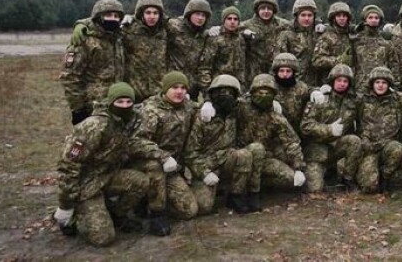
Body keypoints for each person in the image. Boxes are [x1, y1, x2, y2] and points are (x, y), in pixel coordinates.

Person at [54, 82, 172, 246]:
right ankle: (75, 214)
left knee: (141, 181)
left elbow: (134, 143)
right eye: (120, 102)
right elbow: (69, 165)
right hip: (87, 185)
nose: (125, 106)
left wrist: (162, 155)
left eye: (128, 102)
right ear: (110, 103)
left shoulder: (128, 121)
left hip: (109, 176)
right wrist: (65, 204)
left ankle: (117, 214)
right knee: (103, 238)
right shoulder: (93, 126)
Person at [185, 74, 265, 214]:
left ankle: (236, 196)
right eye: (220, 92)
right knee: (203, 207)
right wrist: (204, 173)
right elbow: (190, 153)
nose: (225, 96)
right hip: (206, 164)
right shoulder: (202, 116)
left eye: (229, 92)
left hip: (227, 158)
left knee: (245, 154)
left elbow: (258, 99)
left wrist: (274, 103)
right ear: (213, 94)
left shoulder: (237, 111)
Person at [130, 71, 199, 234]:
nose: (179, 91)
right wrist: (163, 156)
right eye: (174, 87)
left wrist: (209, 104)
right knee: (155, 166)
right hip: (146, 164)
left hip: (171, 168)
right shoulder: (151, 110)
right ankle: (156, 214)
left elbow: (201, 107)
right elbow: (136, 141)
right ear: (165, 89)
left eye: (183, 88)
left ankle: (152, 197)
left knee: (189, 211)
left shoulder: (187, 106)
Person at [236, 74, 307, 192]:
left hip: (264, 159)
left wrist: (299, 168)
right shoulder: (241, 107)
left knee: (291, 179)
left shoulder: (275, 116)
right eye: (260, 93)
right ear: (252, 92)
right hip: (240, 158)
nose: (264, 96)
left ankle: (260, 185)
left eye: (268, 94)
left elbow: (291, 141)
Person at [60, 0, 125, 125]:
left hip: (118, 104)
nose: (112, 18)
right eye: (108, 15)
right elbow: (70, 77)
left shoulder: (118, 39)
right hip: (93, 107)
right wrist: (78, 109)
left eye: (116, 16)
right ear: (98, 17)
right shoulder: (84, 40)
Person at [300, 64, 362, 192]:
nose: (342, 84)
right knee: (315, 188)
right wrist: (328, 129)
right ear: (332, 81)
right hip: (316, 150)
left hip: (336, 147)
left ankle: (347, 179)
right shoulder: (321, 98)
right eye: (339, 80)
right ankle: (325, 170)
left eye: (345, 81)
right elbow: (305, 126)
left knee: (354, 141)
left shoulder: (353, 101)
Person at [356, 67, 402, 193]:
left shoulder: (397, 101)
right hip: (369, 148)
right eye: (377, 82)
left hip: (388, 145)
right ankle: (369, 171)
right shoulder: (362, 100)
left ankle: (386, 177)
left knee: (398, 148)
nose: (380, 86)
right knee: (369, 187)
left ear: (388, 85)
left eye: (384, 83)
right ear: (372, 84)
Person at [121, 0, 169, 103]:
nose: (152, 16)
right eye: (148, 12)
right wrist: (81, 24)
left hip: (158, 93)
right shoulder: (129, 29)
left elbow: (184, 24)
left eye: (155, 13)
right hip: (134, 92)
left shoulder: (166, 31)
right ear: (141, 13)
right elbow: (102, 22)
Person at [166, 0, 212, 101]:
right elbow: (154, 20)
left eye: (203, 15)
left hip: (192, 89)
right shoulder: (174, 26)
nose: (200, 18)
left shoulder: (205, 35)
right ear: (189, 14)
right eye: (197, 14)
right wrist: (132, 18)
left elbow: (204, 66)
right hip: (172, 85)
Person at [241, 0, 290, 84]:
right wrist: (214, 29)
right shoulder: (247, 25)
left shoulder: (282, 24)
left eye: (269, 9)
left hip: (276, 69)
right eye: (263, 8)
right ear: (257, 10)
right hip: (253, 70)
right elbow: (229, 29)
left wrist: (319, 24)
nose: (266, 11)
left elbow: (299, 24)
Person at [352, 5, 400, 95]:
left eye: (376, 18)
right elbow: (351, 64)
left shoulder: (386, 43)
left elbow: (394, 66)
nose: (373, 20)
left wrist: (394, 86)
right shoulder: (356, 41)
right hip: (360, 87)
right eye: (370, 17)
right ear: (365, 20)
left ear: (380, 20)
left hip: (381, 88)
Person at [199, 6, 247, 94]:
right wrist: (207, 93)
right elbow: (205, 67)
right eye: (229, 19)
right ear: (224, 20)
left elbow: (242, 67)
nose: (232, 22)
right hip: (219, 87)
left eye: (235, 19)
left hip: (237, 87)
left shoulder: (240, 39)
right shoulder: (215, 38)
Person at [277, 0, 320, 87]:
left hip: (317, 82)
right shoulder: (286, 34)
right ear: (296, 16)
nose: (307, 18)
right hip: (294, 84)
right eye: (303, 15)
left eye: (310, 15)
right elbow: (279, 61)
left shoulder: (319, 32)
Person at [312, 2, 355, 84]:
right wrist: (339, 60)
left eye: (344, 16)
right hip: (330, 81)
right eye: (339, 16)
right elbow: (317, 60)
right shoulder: (326, 36)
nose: (342, 18)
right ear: (333, 18)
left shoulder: (351, 35)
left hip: (349, 81)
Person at [270, 52, 311, 137]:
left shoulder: (300, 87)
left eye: (288, 71)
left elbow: (310, 90)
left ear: (293, 72)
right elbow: (250, 95)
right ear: (276, 72)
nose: (285, 74)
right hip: (274, 134)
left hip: (297, 133)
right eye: (281, 71)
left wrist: (316, 91)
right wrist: (269, 102)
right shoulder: (269, 85)